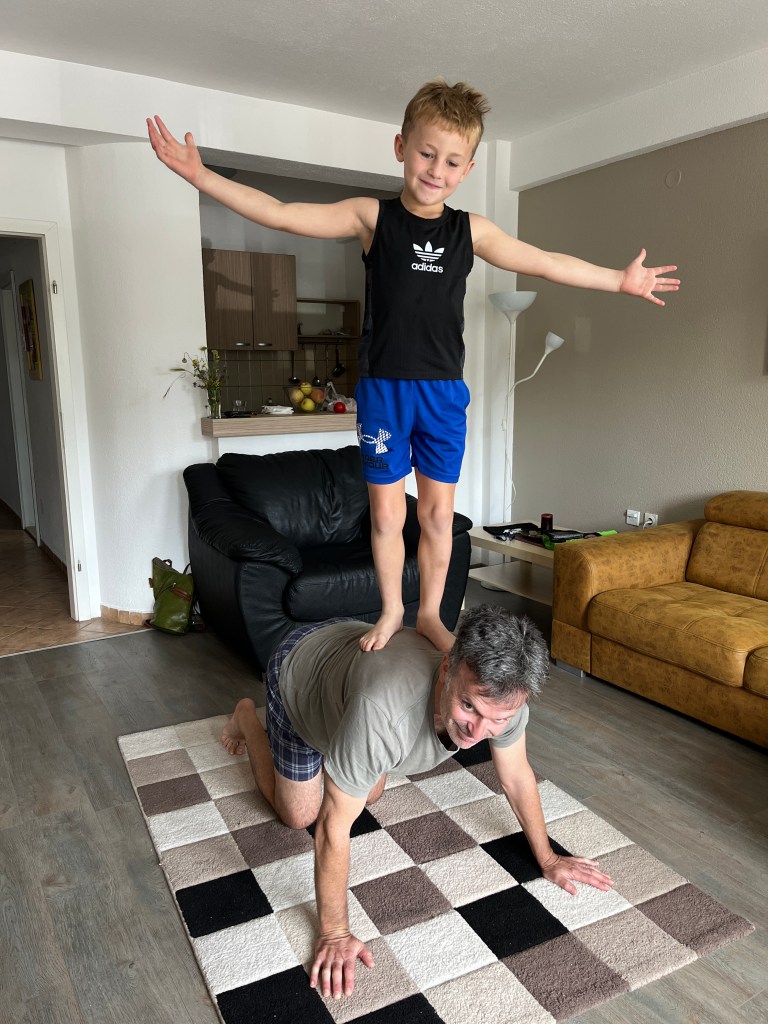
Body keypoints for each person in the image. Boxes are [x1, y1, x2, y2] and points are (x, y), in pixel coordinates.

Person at [148, 79, 679, 655]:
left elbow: (545, 262)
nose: (436, 170)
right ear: (401, 147)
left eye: (451, 161)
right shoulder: (372, 218)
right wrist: (202, 176)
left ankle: (429, 614)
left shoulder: (470, 230)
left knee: (436, 516)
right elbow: (280, 214)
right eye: (427, 153)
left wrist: (619, 280)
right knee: (384, 516)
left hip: (444, 395)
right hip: (384, 393)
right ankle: (391, 612)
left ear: (468, 169)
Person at [219, 605, 614, 1000]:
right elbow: (331, 826)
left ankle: (348, 749)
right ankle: (247, 718)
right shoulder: (382, 710)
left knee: (369, 791)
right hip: (301, 670)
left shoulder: (505, 698)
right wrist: (334, 932)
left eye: (497, 719)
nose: (478, 732)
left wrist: (548, 858)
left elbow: (515, 776)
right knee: (299, 815)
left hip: (351, 667)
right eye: (469, 706)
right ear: (446, 669)